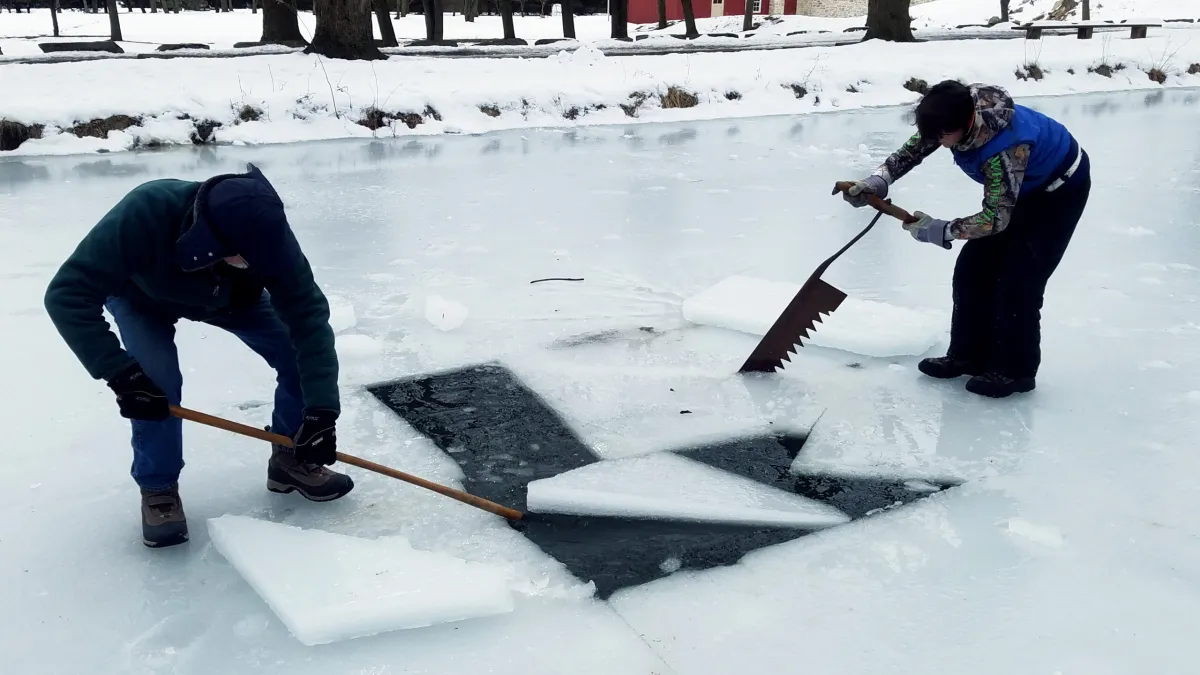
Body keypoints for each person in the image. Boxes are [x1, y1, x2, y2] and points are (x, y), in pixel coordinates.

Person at [44, 163, 353, 549]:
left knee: (294, 352)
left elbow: (308, 318)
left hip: (228, 298)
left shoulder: (267, 232)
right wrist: (120, 373)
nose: (253, 260)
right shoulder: (146, 210)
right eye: (243, 254)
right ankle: (158, 488)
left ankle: (289, 458)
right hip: (141, 296)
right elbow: (66, 293)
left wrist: (322, 412)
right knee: (155, 383)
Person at [838, 80, 1090, 399]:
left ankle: (1016, 371)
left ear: (962, 125)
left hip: (1057, 193)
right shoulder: (954, 114)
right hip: (1014, 190)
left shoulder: (1004, 149)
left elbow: (995, 220)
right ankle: (968, 355)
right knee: (972, 271)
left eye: (942, 137)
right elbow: (917, 147)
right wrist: (879, 181)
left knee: (1019, 283)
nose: (938, 144)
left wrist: (941, 230)